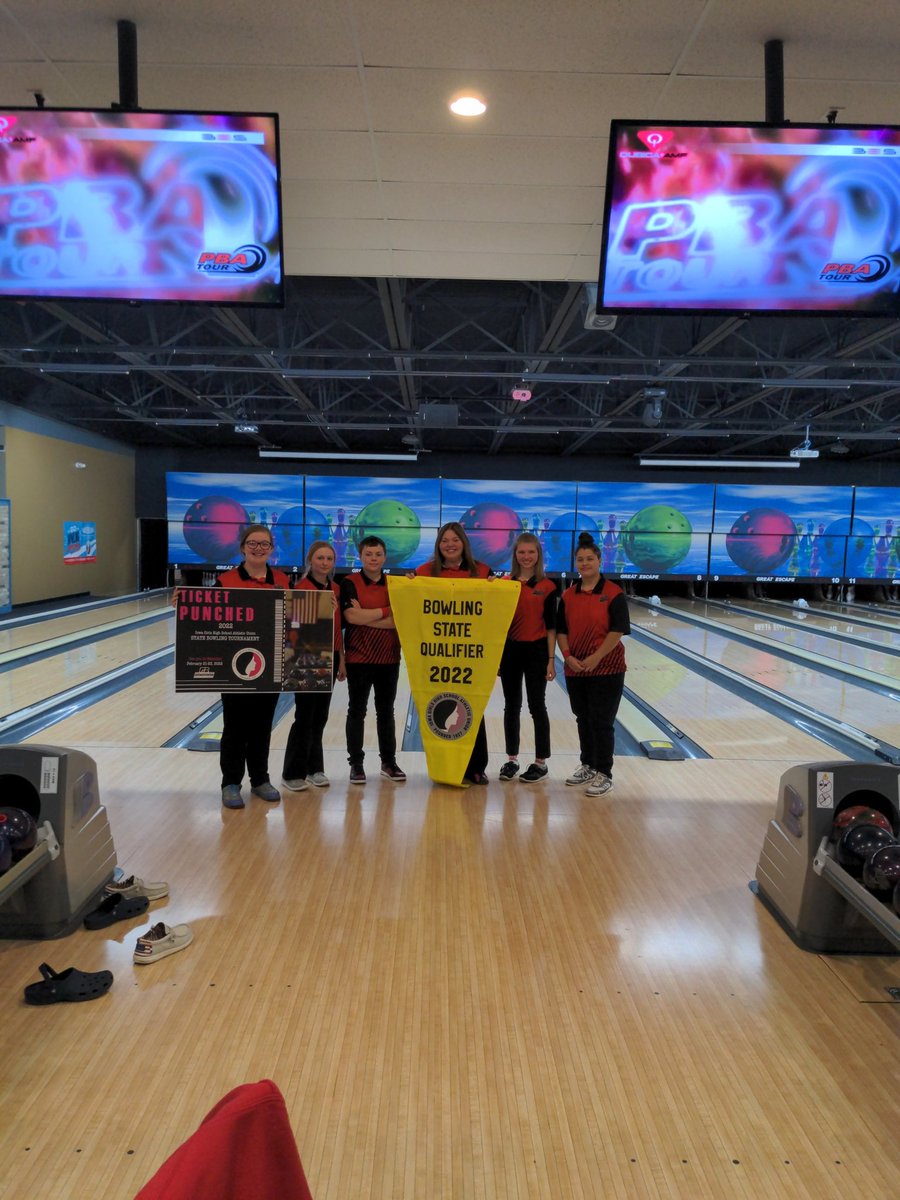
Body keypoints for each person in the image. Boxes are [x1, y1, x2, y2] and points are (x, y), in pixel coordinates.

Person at [217, 524, 290, 809]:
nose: (258, 548)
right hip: (234, 667)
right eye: (253, 543)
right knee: (234, 726)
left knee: (261, 726)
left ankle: (260, 779)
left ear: (272, 549)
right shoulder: (225, 580)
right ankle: (231, 783)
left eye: (264, 544)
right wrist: (182, 603)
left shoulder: (283, 580)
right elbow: (206, 616)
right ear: (242, 547)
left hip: (269, 666)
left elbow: (295, 619)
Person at [414, 522, 491, 784]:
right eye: (444, 540)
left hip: (470, 655)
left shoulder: (481, 571)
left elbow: (494, 607)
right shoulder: (424, 572)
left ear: (463, 543)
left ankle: (477, 767)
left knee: (472, 708)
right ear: (438, 545)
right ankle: (444, 766)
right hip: (436, 656)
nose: (450, 544)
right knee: (440, 709)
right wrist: (411, 586)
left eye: (454, 539)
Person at [556, 530, 630, 797]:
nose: (584, 563)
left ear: (599, 561)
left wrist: (596, 657)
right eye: (580, 559)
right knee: (583, 719)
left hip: (608, 669)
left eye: (589, 558)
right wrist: (568, 657)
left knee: (602, 721)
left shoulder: (613, 593)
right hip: (576, 669)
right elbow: (561, 630)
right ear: (575, 563)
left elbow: (618, 630)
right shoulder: (568, 595)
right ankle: (587, 764)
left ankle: (604, 772)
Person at [281, 540, 346, 792]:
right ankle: (292, 772)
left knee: (320, 716)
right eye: (320, 558)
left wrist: (341, 660)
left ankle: (315, 768)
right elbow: (294, 627)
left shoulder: (337, 589)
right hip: (305, 658)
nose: (325, 563)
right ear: (310, 560)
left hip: (330, 658)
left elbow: (338, 630)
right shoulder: (301, 588)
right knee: (304, 716)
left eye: (329, 559)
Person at [341, 536, 406, 785]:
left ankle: (388, 762)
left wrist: (366, 615)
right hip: (358, 656)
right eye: (369, 554)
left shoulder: (395, 584)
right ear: (361, 556)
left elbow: (398, 621)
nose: (373, 559)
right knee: (357, 711)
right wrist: (387, 612)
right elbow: (351, 616)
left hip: (389, 657)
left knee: (385, 712)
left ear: (384, 557)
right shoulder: (350, 582)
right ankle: (356, 764)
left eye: (378, 554)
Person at [497, 532, 557, 783]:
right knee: (511, 706)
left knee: (536, 706)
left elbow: (552, 626)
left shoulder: (548, 587)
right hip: (510, 651)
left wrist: (552, 659)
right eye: (521, 552)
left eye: (531, 552)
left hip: (536, 651)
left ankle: (540, 762)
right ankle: (512, 759)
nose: (526, 556)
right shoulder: (506, 583)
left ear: (538, 555)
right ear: (515, 555)